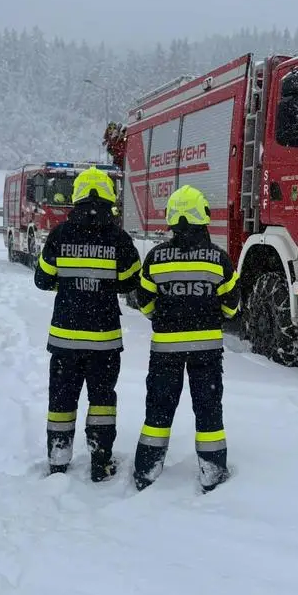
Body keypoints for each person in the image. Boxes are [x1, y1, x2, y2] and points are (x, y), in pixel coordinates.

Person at [34, 166, 141, 481]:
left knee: (61, 401)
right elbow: (128, 281)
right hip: (103, 340)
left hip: (65, 339)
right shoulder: (119, 239)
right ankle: (101, 461)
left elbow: (42, 279)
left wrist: (68, 286)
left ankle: (58, 460)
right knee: (103, 400)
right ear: (110, 196)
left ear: (77, 196)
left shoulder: (59, 235)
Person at [133, 185, 240, 493]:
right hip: (206, 351)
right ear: (202, 217)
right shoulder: (218, 259)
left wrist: (164, 319)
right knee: (208, 409)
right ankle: (212, 470)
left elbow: (144, 303)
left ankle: (147, 470)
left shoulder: (155, 258)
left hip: (165, 350)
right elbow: (232, 307)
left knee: (158, 409)